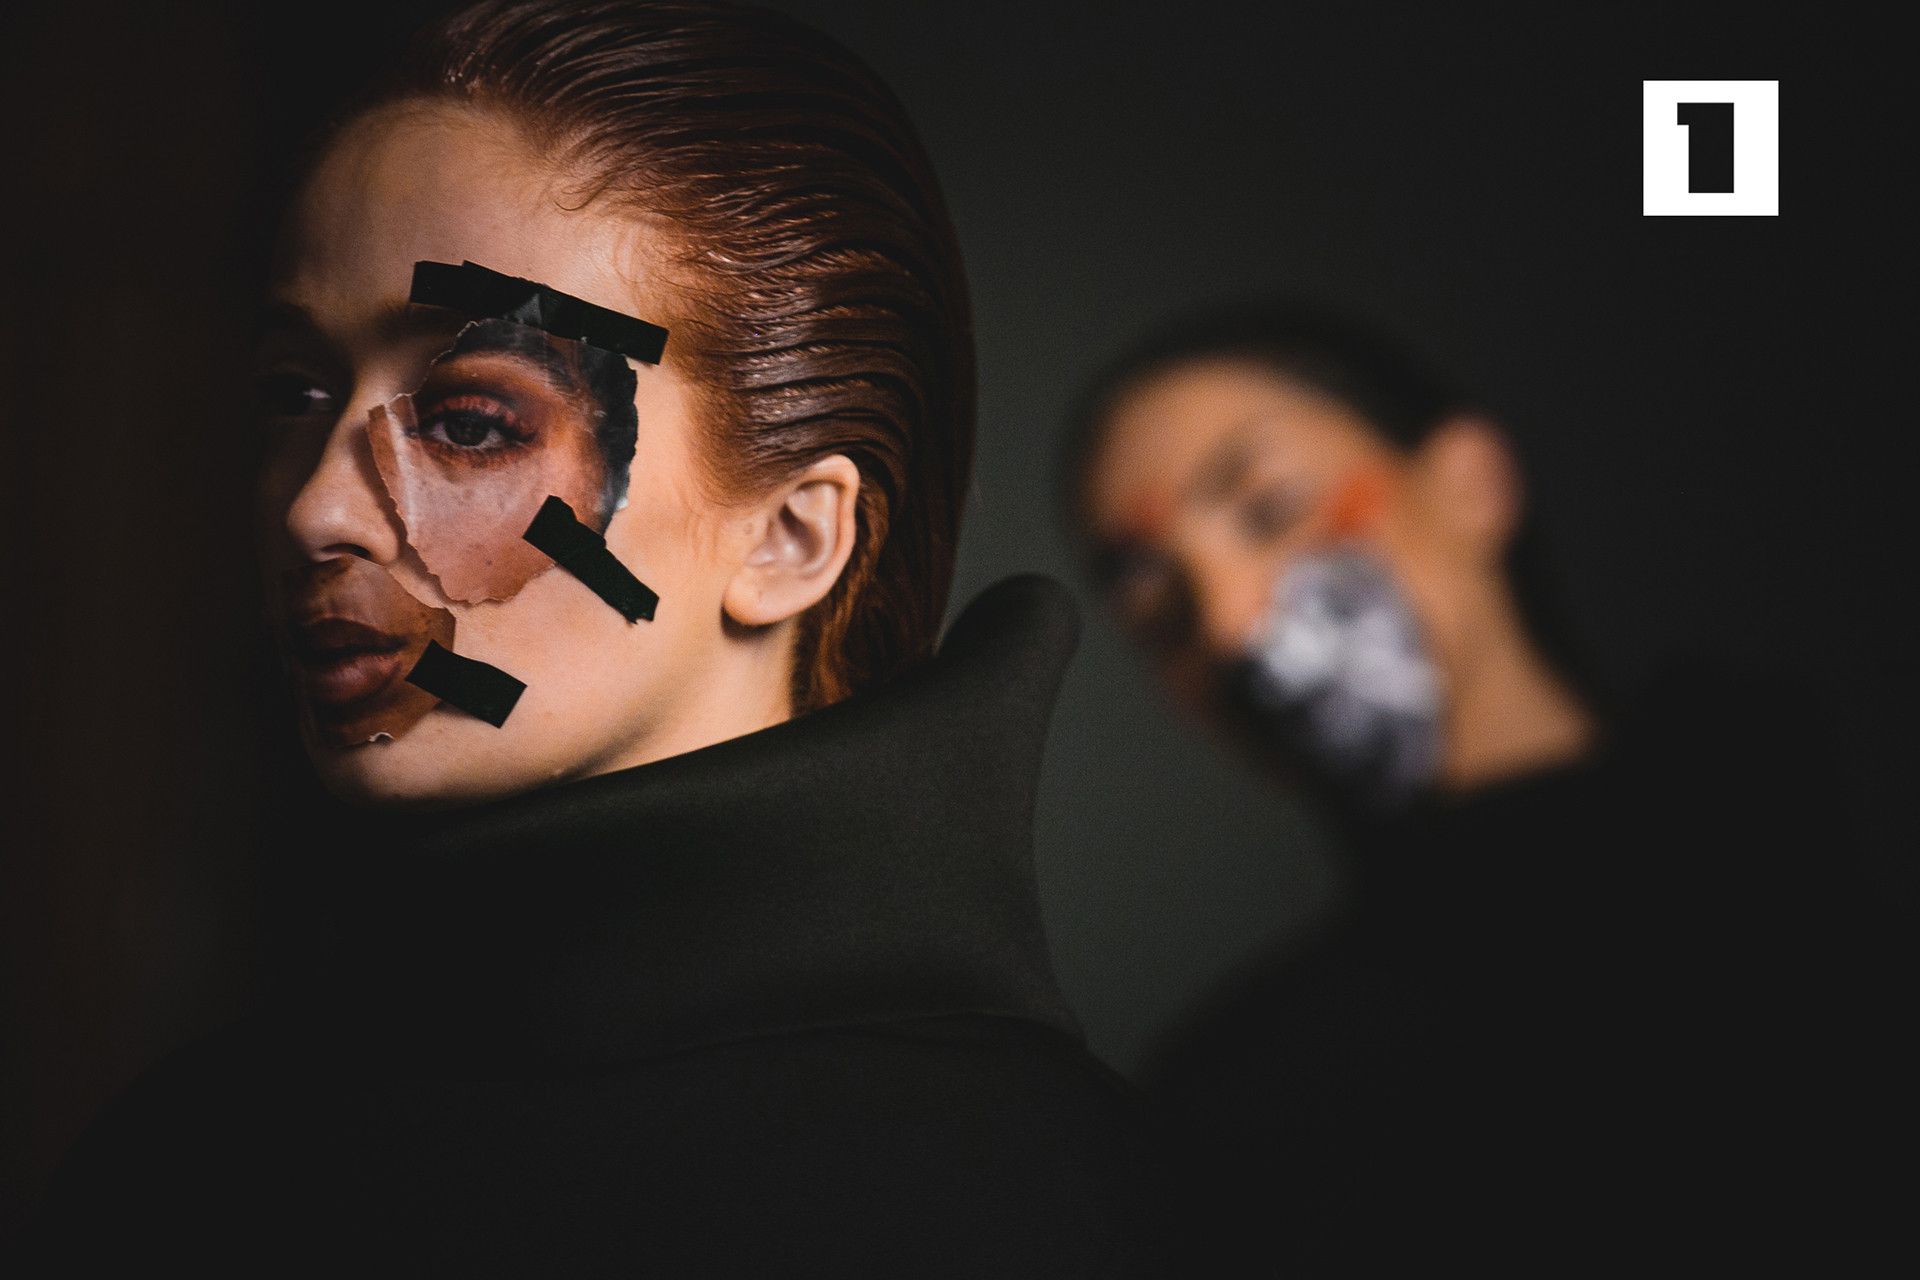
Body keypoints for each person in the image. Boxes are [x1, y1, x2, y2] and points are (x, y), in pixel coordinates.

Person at [19, 3, 1161, 1274]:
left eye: (469, 422)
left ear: (791, 536)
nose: (315, 507)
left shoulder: (1049, 1205)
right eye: (293, 392)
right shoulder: (183, 1162)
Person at [1064, 302, 1907, 1274]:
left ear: (1470, 481)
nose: (1227, 623)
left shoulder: (1838, 858)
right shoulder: (1234, 1110)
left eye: (1271, 506)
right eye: (1151, 597)